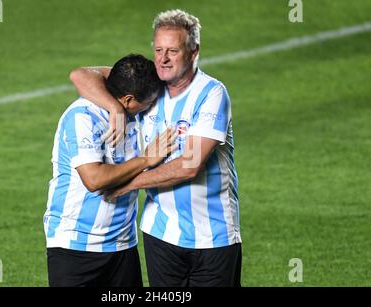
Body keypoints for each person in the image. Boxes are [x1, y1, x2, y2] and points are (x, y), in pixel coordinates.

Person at [70, 9, 242, 287]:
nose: (162, 59)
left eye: (172, 51)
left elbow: (189, 165)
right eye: (158, 49)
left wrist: (129, 183)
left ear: (193, 52)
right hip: (159, 234)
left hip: (213, 236)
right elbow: (81, 75)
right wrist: (115, 107)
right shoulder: (151, 86)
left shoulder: (211, 93)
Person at [44, 54, 177, 287]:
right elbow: (94, 179)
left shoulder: (132, 109)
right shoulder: (82, 117)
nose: (150, 107)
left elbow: (84, 74)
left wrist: (116, 108)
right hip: (75, 247)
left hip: (122, 245)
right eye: (146, 103)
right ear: (127, 99)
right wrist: (146, 159)